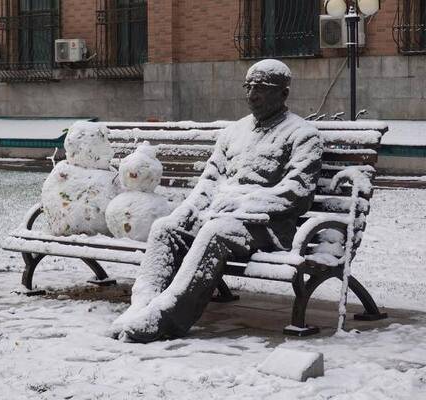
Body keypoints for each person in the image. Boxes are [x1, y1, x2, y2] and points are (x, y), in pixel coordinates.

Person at [110, 59, 323, 343]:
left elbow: (297, 193)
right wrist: (186, 211)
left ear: (283, 93)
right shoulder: (233, 133)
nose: (252, 95)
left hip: (268, 229)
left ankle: (167, 317)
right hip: (217, 219)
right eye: (249, 87)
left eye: (262, 88)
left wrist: (242, 205)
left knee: (214, 232)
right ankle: (140, 307)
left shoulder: (302, 135)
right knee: (165, 228)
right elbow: (209, 182)